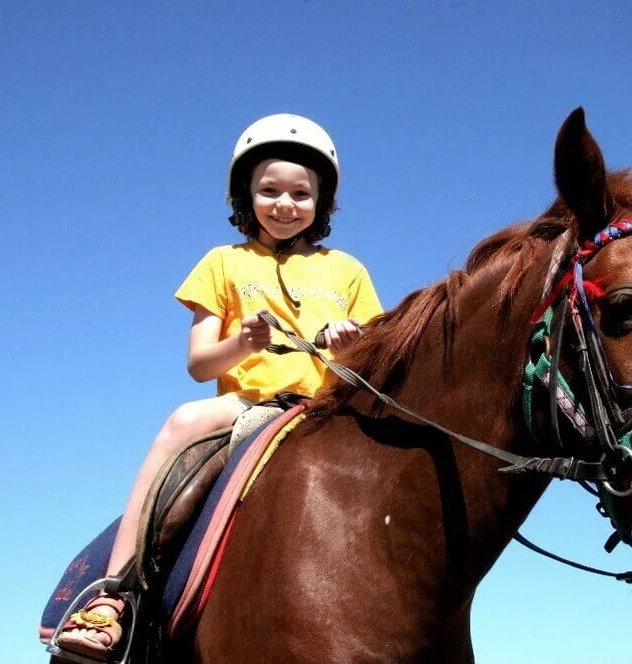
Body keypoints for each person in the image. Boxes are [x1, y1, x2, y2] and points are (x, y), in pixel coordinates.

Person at [55, 114, 383, 661]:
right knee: (183, 421)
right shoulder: (222, 262)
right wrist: (245, 343)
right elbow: (200, 364)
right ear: (245, 195)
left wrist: (352, 344)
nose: (285, 203)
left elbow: (373, 359)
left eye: (301, 193)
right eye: (269, 190)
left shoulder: (347, 271)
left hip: (327, 410)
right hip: (250, 406)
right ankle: (111, 599)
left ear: (321, 202)